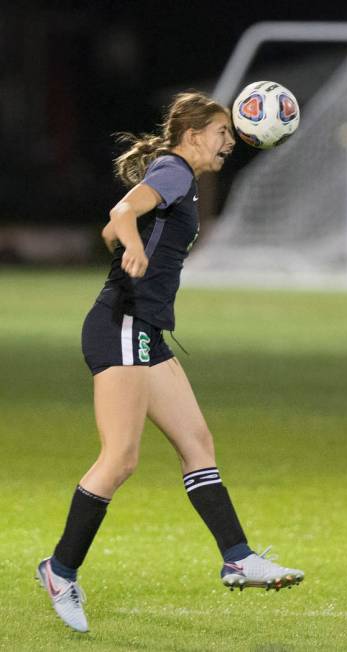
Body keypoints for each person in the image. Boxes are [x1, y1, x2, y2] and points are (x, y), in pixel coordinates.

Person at [35, 91, 304, 633]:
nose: (231, 141)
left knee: (197, 444)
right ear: (194, 134)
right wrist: (133, 245)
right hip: (123, 325)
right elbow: (120, 216)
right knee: (121, 459)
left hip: (143, 330)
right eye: (223, 132)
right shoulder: (176, 170)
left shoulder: (172, 175)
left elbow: (114, 228)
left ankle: (238, 557)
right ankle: (60, 571)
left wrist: (130, 240)